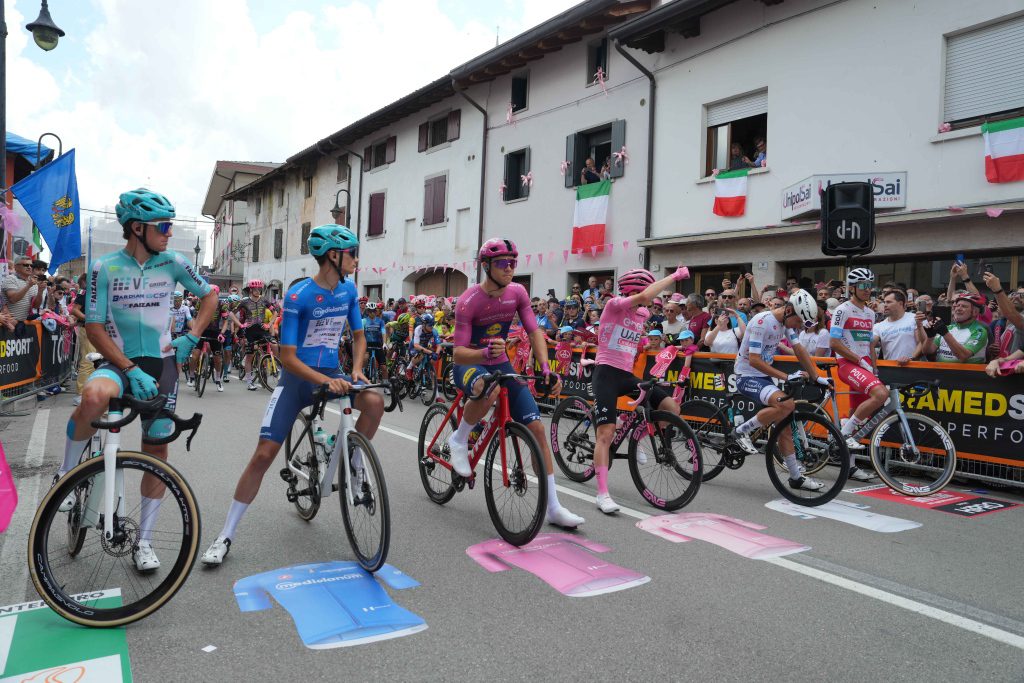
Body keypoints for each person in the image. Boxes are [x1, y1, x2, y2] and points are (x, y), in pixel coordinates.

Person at [57, 188, 217, 572]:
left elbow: (211, 296)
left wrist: (192, 335)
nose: (169, 232)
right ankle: (64, 474)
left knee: (156, 452)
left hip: (162, 366)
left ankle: (143, 542)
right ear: (136, 228)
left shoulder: (175, 262)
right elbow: (93, 327)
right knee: (94, 396)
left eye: (170, 225)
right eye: (163, 226)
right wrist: (129, 369)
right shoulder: (104, 267)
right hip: (120, 361)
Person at [202, 225, 382, 565]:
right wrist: (325, 382)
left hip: (332, 374)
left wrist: (356, 370)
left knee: (374, 400)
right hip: (296, 380)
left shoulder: (347, 292)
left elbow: (359, 337)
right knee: (264, 454)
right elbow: (287, 357)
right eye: (352, 253)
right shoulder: (298, 297)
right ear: (333, 255)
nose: (357, 259)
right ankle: (225, 534)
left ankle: (355, 464)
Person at [446, 238, 584, 528]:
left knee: (536, 430)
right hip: (470, 363)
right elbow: (457, 352)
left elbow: (534, 332)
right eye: (502, 263)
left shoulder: (518, 292)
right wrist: (483, 353)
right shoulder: (469, 300)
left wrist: (546, 367)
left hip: (500, 363)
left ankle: (553, 507)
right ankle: (459, 439)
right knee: (489, 388)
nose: (509, 269)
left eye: (513, 263)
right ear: (486, 266)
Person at [589, 266, 691, 513]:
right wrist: (675, 276)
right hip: (605, 373)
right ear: (629, 292)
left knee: (670, 407)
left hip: (626, 374)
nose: (644, 297)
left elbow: (639, 320)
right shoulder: (614, 304)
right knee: (605, 434)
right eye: (640, 291)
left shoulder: (643, 314)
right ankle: (602, 495)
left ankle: (635, 432)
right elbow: (645, 297)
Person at [730, 290, 834, 490]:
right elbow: (754, 360)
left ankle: (795, 477)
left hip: (763, 376)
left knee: (785, 421)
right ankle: (740, 431)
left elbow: (799, 350)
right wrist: (787, 377)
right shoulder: (763, 322)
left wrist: (816, 376)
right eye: (797, 322)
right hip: (746, 375)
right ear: (787, 311)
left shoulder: (785, 322)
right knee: (786, 403)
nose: (798, 327)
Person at [828, 268, 885, 481]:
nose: (867, 289)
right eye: (863, 286)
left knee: (856, 414)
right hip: (848, 364)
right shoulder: (843, 310)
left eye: (870, 285)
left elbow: (869, 343)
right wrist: (859, 360)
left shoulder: (870, 313)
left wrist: (874, 365)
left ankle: (850, 466)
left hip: (865, 365)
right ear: (852, 288)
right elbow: (834, 343)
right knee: (880, 395)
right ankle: (841, 435)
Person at [919, 291, 989, 364]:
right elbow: (927, 351)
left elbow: (963, 356)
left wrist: (945, 333)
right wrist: (930, 337)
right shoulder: (949, 327)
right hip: (941, 373)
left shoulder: (979, 331)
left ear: (975, 312)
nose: (958, 309)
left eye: (964, 306)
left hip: (966, 374)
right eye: (957, 305)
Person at [236, 279, 271, 390]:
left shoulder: (264, 300)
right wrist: (240, 325)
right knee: (250, 355)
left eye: (259, 289)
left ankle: (276, 369)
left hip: (261, 328)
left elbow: (275, 312)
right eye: (255, 289)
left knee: (273, 344)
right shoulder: (244, 302)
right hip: (250, 330)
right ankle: (249, 382)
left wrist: (269, 324)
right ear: (251, 290)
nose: (258, 291)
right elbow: (231, 313)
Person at [872, 290, 919, 365]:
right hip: (891, 369)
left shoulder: (914, 318)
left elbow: (921, 343)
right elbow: (869, 345)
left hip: (914, 367)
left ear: (900, 303)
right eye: (884, 302)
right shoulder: (879, 326)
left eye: (889, 302)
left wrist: (911, 358)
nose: (885, 305)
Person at [2, 256, 43, 322]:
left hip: (24, 323)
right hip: (9, 322)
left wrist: (40, 292)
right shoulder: (10, 279)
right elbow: (13, 299)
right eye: (26, 265)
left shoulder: (33, 282)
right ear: (16, 267)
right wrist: (28, 286)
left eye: (31, 265)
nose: (29, 267)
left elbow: (36, 306)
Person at [362, 301, 387, 380]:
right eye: (370, 311)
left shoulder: (380, 321)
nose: (372, 313)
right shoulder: (364, 321)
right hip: (367, 344)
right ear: (367, 312)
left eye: (374, 311)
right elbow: (362, 333)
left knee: (384, 367)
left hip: (378, 344)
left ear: (376, 311)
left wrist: (385, 343)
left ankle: (385, 384)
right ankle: (363, 371)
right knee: (365, 358)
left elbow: (383, 332)